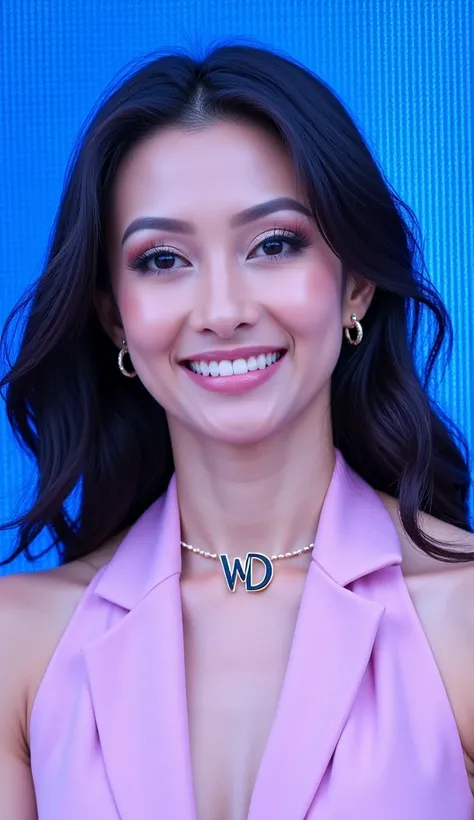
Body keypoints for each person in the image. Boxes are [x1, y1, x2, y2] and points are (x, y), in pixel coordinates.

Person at [0, 41, 473, 820]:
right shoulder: (22, 647)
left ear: (356, 285)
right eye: (162, 260)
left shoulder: (460, 621)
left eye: (274, 244)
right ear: (114, 314)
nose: (223, 311)